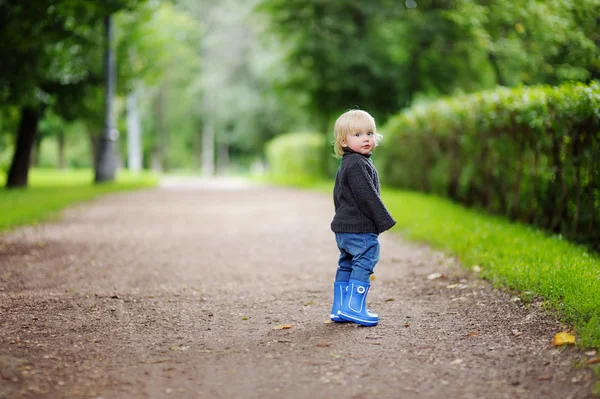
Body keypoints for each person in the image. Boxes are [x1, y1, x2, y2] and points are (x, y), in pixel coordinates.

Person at [329, 109, 396, 327]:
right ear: (343, 141)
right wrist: (383, 219)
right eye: (357, 135)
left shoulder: (348, 164)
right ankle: (354, 308)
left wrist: (340, 221)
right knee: (365, 259)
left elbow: (338, 196)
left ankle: (340, 307)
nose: (366, 138)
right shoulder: (357, 164)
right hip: (359, 229)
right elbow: (367, 196)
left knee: (347, 263)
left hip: (344, 229)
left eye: (369, 133)